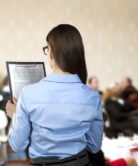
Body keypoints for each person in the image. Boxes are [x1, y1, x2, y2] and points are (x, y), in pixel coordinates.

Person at [6, 24, 103, 166]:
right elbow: (94, 146)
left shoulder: (28, 93)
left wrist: (15, 115)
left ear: (51, 52)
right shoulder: (92, 97)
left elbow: (17, 144)